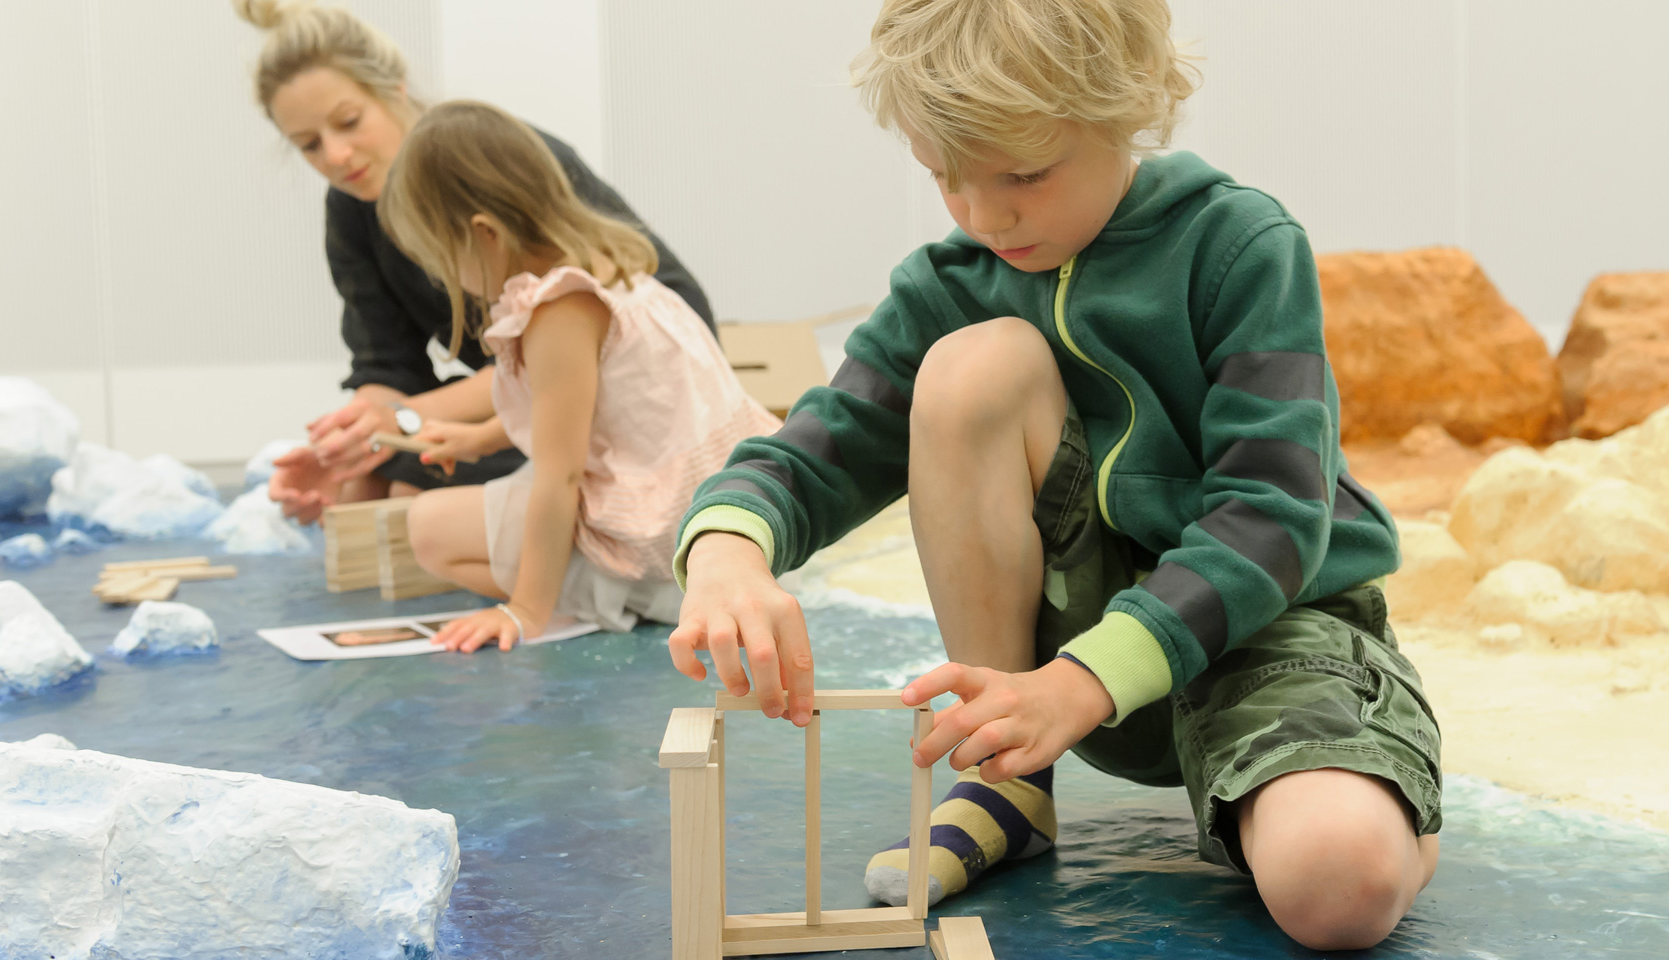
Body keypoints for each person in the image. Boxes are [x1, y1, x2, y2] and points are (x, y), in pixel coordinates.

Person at [665, 0, 1442, 950]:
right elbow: (820, 444)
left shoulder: (1241, 247)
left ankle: (1367, 786)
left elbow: (1274, 516)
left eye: (1023, 173)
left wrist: (1084, 682)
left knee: (1337, 889)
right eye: (944, 176)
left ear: (1128, 109)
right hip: (1047, 682)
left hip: (1268, 636)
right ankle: (1004, 786)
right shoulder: (946, 284)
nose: (984, 215)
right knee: (969, 365)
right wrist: (728, 550)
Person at [233, 0, 713, 523]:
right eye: (309, 145)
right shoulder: (352, 209)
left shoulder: (495, 163)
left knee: (412, 503)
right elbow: (387, 361)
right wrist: (346, 443)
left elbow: (575, 350)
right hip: (519, 394)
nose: (336, 156)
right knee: (359, 494)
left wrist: (399, 420)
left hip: (611, 397)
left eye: (349, 122)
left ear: (394, 89)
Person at [376, 100, 778, 651]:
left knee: (427, 530)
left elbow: (559, 476)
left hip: (660, 526)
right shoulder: (604, 259)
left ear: (485, 234)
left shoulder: (557, 311)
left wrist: (522, 612)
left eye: (444, 261)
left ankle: (633, 593)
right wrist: (479, 438)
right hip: (722, 490)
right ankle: (635, 586)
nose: (454, 280)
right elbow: (580, 404)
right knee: (472, 505)